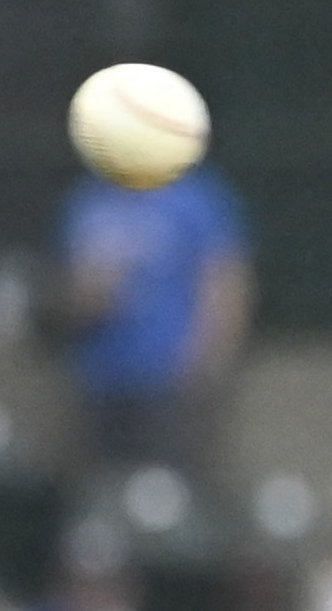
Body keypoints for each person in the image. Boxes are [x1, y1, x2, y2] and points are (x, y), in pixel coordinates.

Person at [59, 144, 252, 474]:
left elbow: (227, 282)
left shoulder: (195, 196)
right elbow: (66, 296)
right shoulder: (88, 200)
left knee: (170, 487)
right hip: (102, 381)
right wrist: (90, 295)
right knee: (106, 486)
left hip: (171, 382)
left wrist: (207, 361)